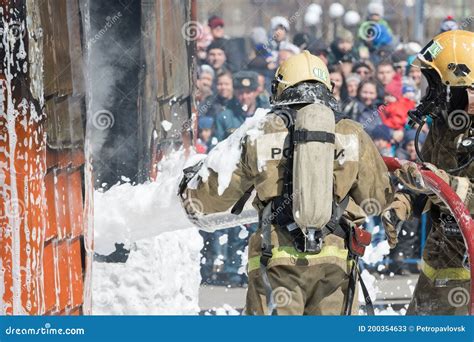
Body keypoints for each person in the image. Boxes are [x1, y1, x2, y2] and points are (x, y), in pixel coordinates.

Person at [179, 51, 394, 315]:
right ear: (328, 88)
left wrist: (186, 193)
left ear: (281, 89)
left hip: (277, 261)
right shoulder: (352, 133)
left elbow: (213, 196)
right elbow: (379, 199)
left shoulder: (260, 132)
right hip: (335, 263)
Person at [382, 30, 474, 315]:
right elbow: (428, 178)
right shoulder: (445, 126)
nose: (433, 92)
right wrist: (404, 203)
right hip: (441, 252)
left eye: (437, 83)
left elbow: (447, 184)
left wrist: (448, 183)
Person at [214, 71, 269, 141]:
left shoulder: (266, 116)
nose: (244, 97)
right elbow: (217, 147)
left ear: (256, 92)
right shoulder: (225, 117)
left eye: (248, 92)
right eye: (240, 93)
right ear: (234, 92)